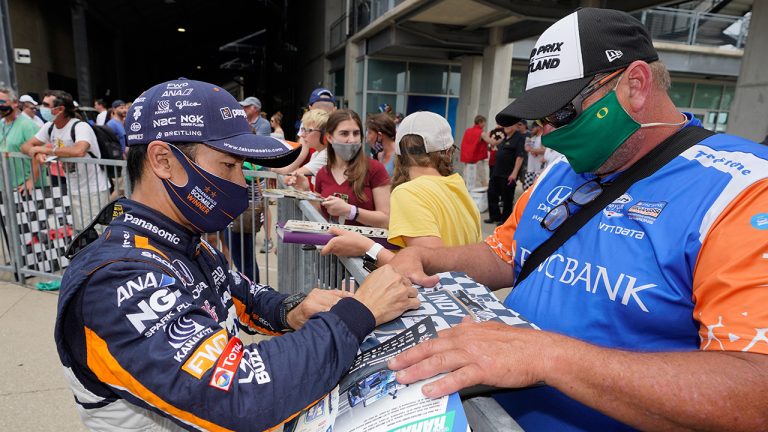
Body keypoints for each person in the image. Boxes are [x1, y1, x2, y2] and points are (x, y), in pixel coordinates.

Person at [386, 8, 768, 431]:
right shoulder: (560, 171)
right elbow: (503, 254)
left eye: (562, 114)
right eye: (540, 119)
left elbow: (755, 390)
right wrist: (424, 260)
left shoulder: (742, 192)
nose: (548, 133)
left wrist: (547, 356)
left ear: (635, 85)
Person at [54, 78, 420, 432]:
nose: (241, 184)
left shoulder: (185, 243)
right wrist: (358, 314)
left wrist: (293, 309)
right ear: (163, 160)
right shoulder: (114, 279)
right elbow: (240, 392)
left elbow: (242, 296)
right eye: (228, 166)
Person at [322, 111, 481, 266]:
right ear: (448, 151)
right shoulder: (458, 186)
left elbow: (429, 268)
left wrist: (367, 247)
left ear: (399, 153)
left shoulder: (408, 193)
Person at [20, 90, 111, 231]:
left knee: (97, 232)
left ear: (60, 109)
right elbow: (26, 146)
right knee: (81, 231)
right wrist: (36, 152)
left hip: (94, 189)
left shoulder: (80, 127)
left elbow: (79, 150)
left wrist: (46, 150)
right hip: (73, 188)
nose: (41, 108)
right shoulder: (49, 127)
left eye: (46, 105)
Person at [292, 109, 390, 228]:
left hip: (365, 245)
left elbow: (386, 219)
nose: (352, 140)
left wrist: (350, 211)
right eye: (344, 134)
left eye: (356, 133)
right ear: (329, 137)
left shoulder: (375, 169)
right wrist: (306, 191)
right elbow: (322, 214)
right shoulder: (323, 173)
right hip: (332, 244)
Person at [0, 88, 43, 188]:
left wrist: (31, 180)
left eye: (2, 102)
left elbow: (39, 154)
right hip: (5, 186)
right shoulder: (1, 124)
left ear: (15, 103)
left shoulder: (28, 125)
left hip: (25, 189)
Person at [485, 120, 525, 224]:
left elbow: (520, 157)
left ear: (516, 125)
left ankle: (505, 220)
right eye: (505, 125)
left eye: (509, 124)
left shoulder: (519, 138)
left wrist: (514, 173)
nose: (506, 127)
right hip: (496, 172)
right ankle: (495, 216)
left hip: (508, 174)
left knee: (507, 198)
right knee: (491, 193)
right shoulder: (504, 137)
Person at [460, 114, 494, 190]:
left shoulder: (467, 131)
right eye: (484, 122)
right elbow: (492, 142)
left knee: (466, 176)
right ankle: (484, 194)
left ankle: (464, 191)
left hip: (467, 157)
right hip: (477, 158)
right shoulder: (481, 133)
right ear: (480, 122)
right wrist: (501, 139)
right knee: (481, 177)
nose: (484, 124)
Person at [522, 122, 545, 189]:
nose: (531, 129)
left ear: (539, 127)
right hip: (530, 169)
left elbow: (544, 150)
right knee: (527, 189)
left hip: (540, 170)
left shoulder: (543, 137)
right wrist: (532, 150)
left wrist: (532, 150)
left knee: (537, 189)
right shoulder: (531, 138)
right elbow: (526, 148)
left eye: (533, 127)